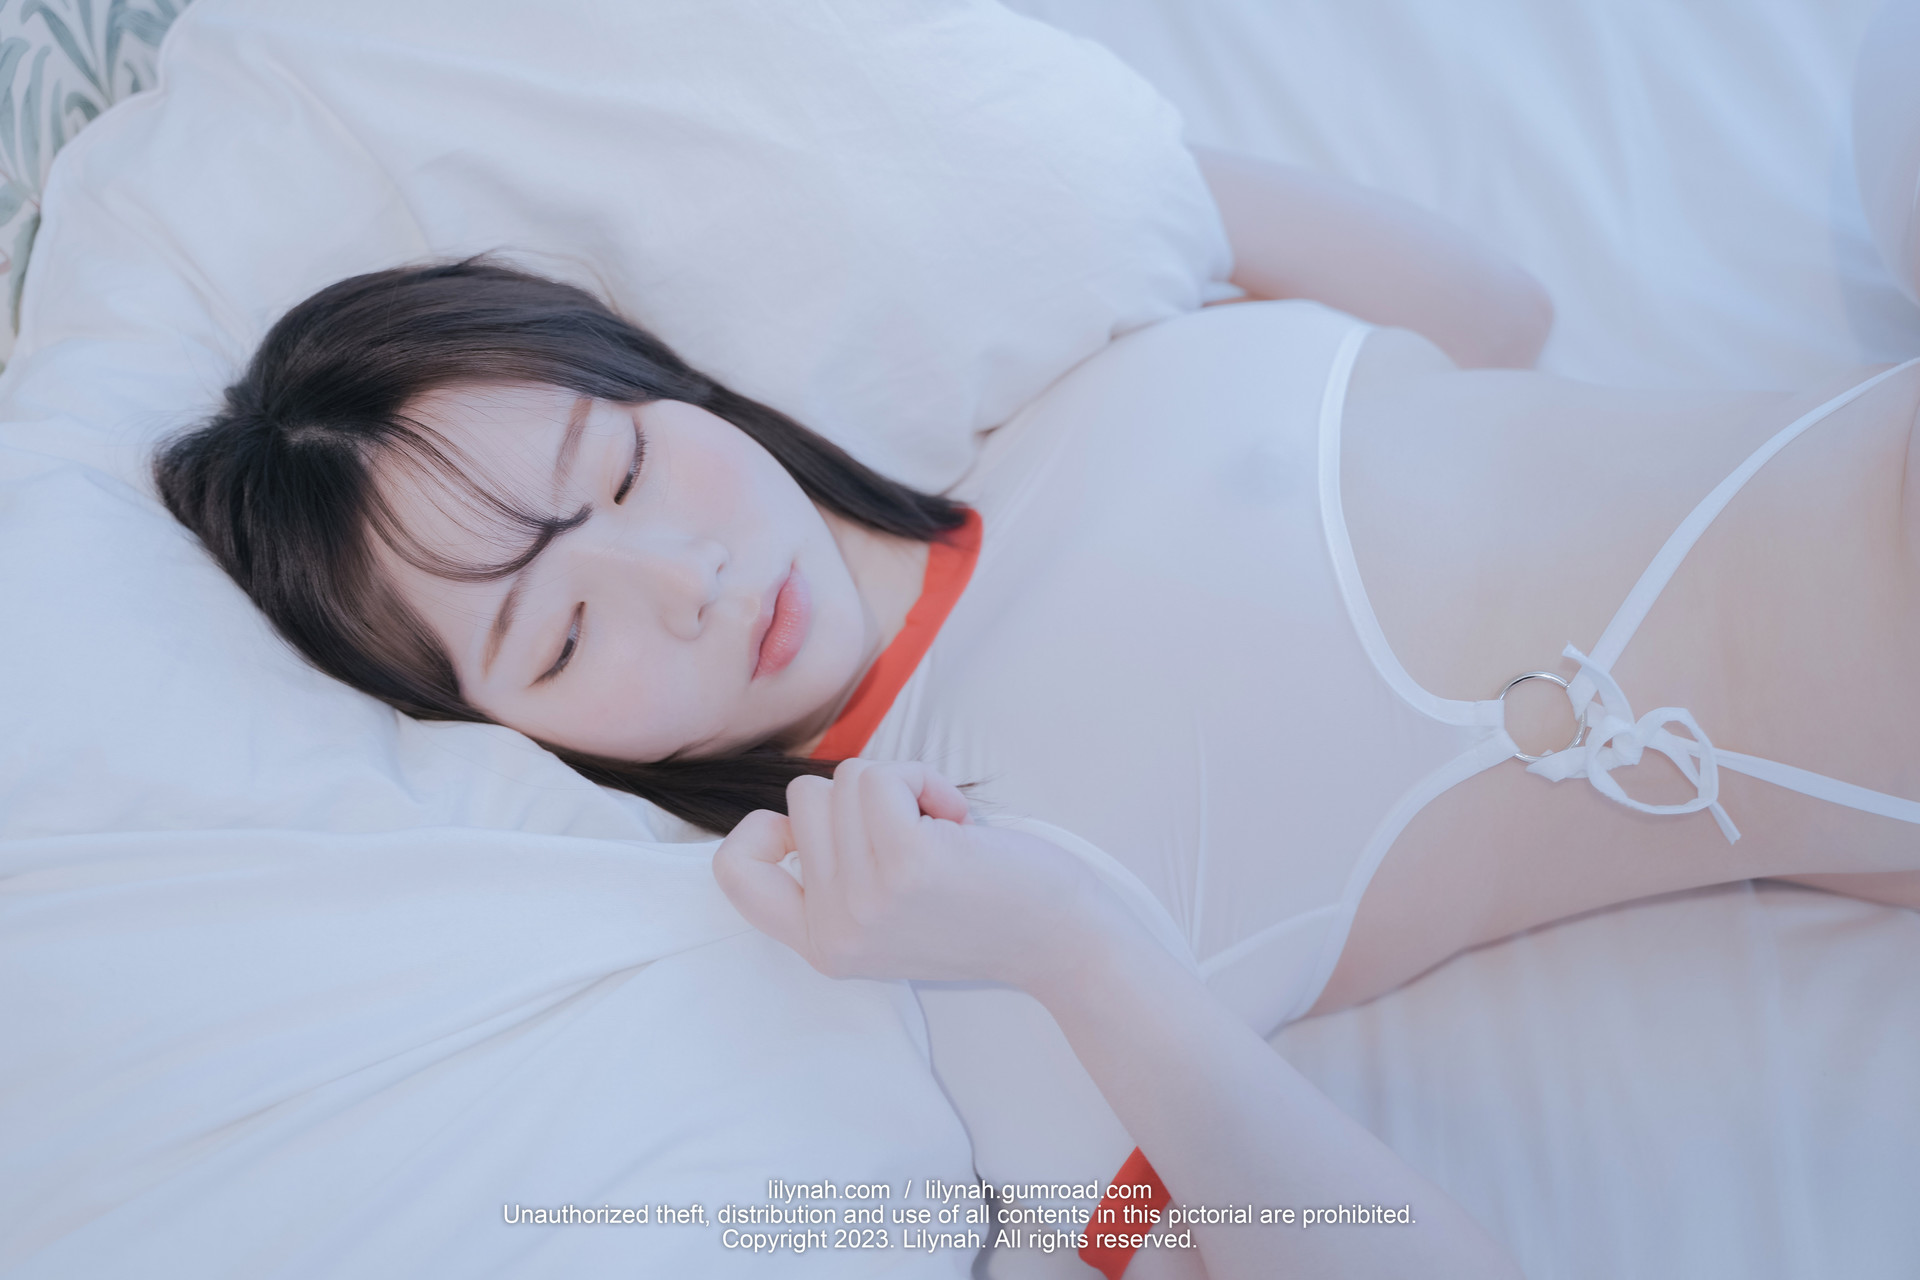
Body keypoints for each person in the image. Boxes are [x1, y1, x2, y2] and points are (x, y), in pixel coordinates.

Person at [152, 148, 1920, 1280]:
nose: (680, 576)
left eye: (614, 465)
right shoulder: (945, 924)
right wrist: (1077, 950)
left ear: (658, 377)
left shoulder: (1077, 380)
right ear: (517, 744)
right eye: (558, 637)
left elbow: (1499, 323)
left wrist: (1095, 171)